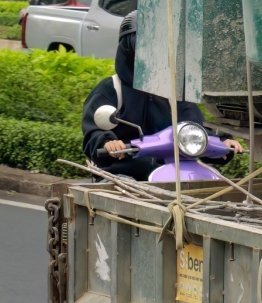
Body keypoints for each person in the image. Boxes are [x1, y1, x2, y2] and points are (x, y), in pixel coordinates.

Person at [82, 11, 242, 181]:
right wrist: (107, 142)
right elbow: (94, 132)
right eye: (141, 49)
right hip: (122, 176)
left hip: (170, 176)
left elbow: (192, 129)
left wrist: (221, 141)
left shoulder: (173, 94)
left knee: (212, 187)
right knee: (121, 189)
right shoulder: (111, 89)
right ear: (127, 50)